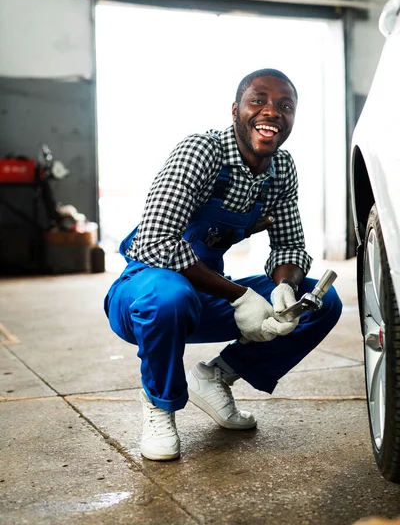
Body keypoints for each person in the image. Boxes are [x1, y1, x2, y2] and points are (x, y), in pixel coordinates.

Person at [104, 68, 342, 462]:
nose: (271, 112)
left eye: (285, 106)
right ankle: (159, 405)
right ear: (236, 110)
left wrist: (285, 286)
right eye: (258, 101)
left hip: (205, 293)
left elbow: (290, 247)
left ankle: (217, 375)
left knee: (321, 300)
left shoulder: (280, 169)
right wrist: (241, 295)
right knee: (169, 295)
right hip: (142, 294)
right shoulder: (202, 151)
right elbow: (155, 241)